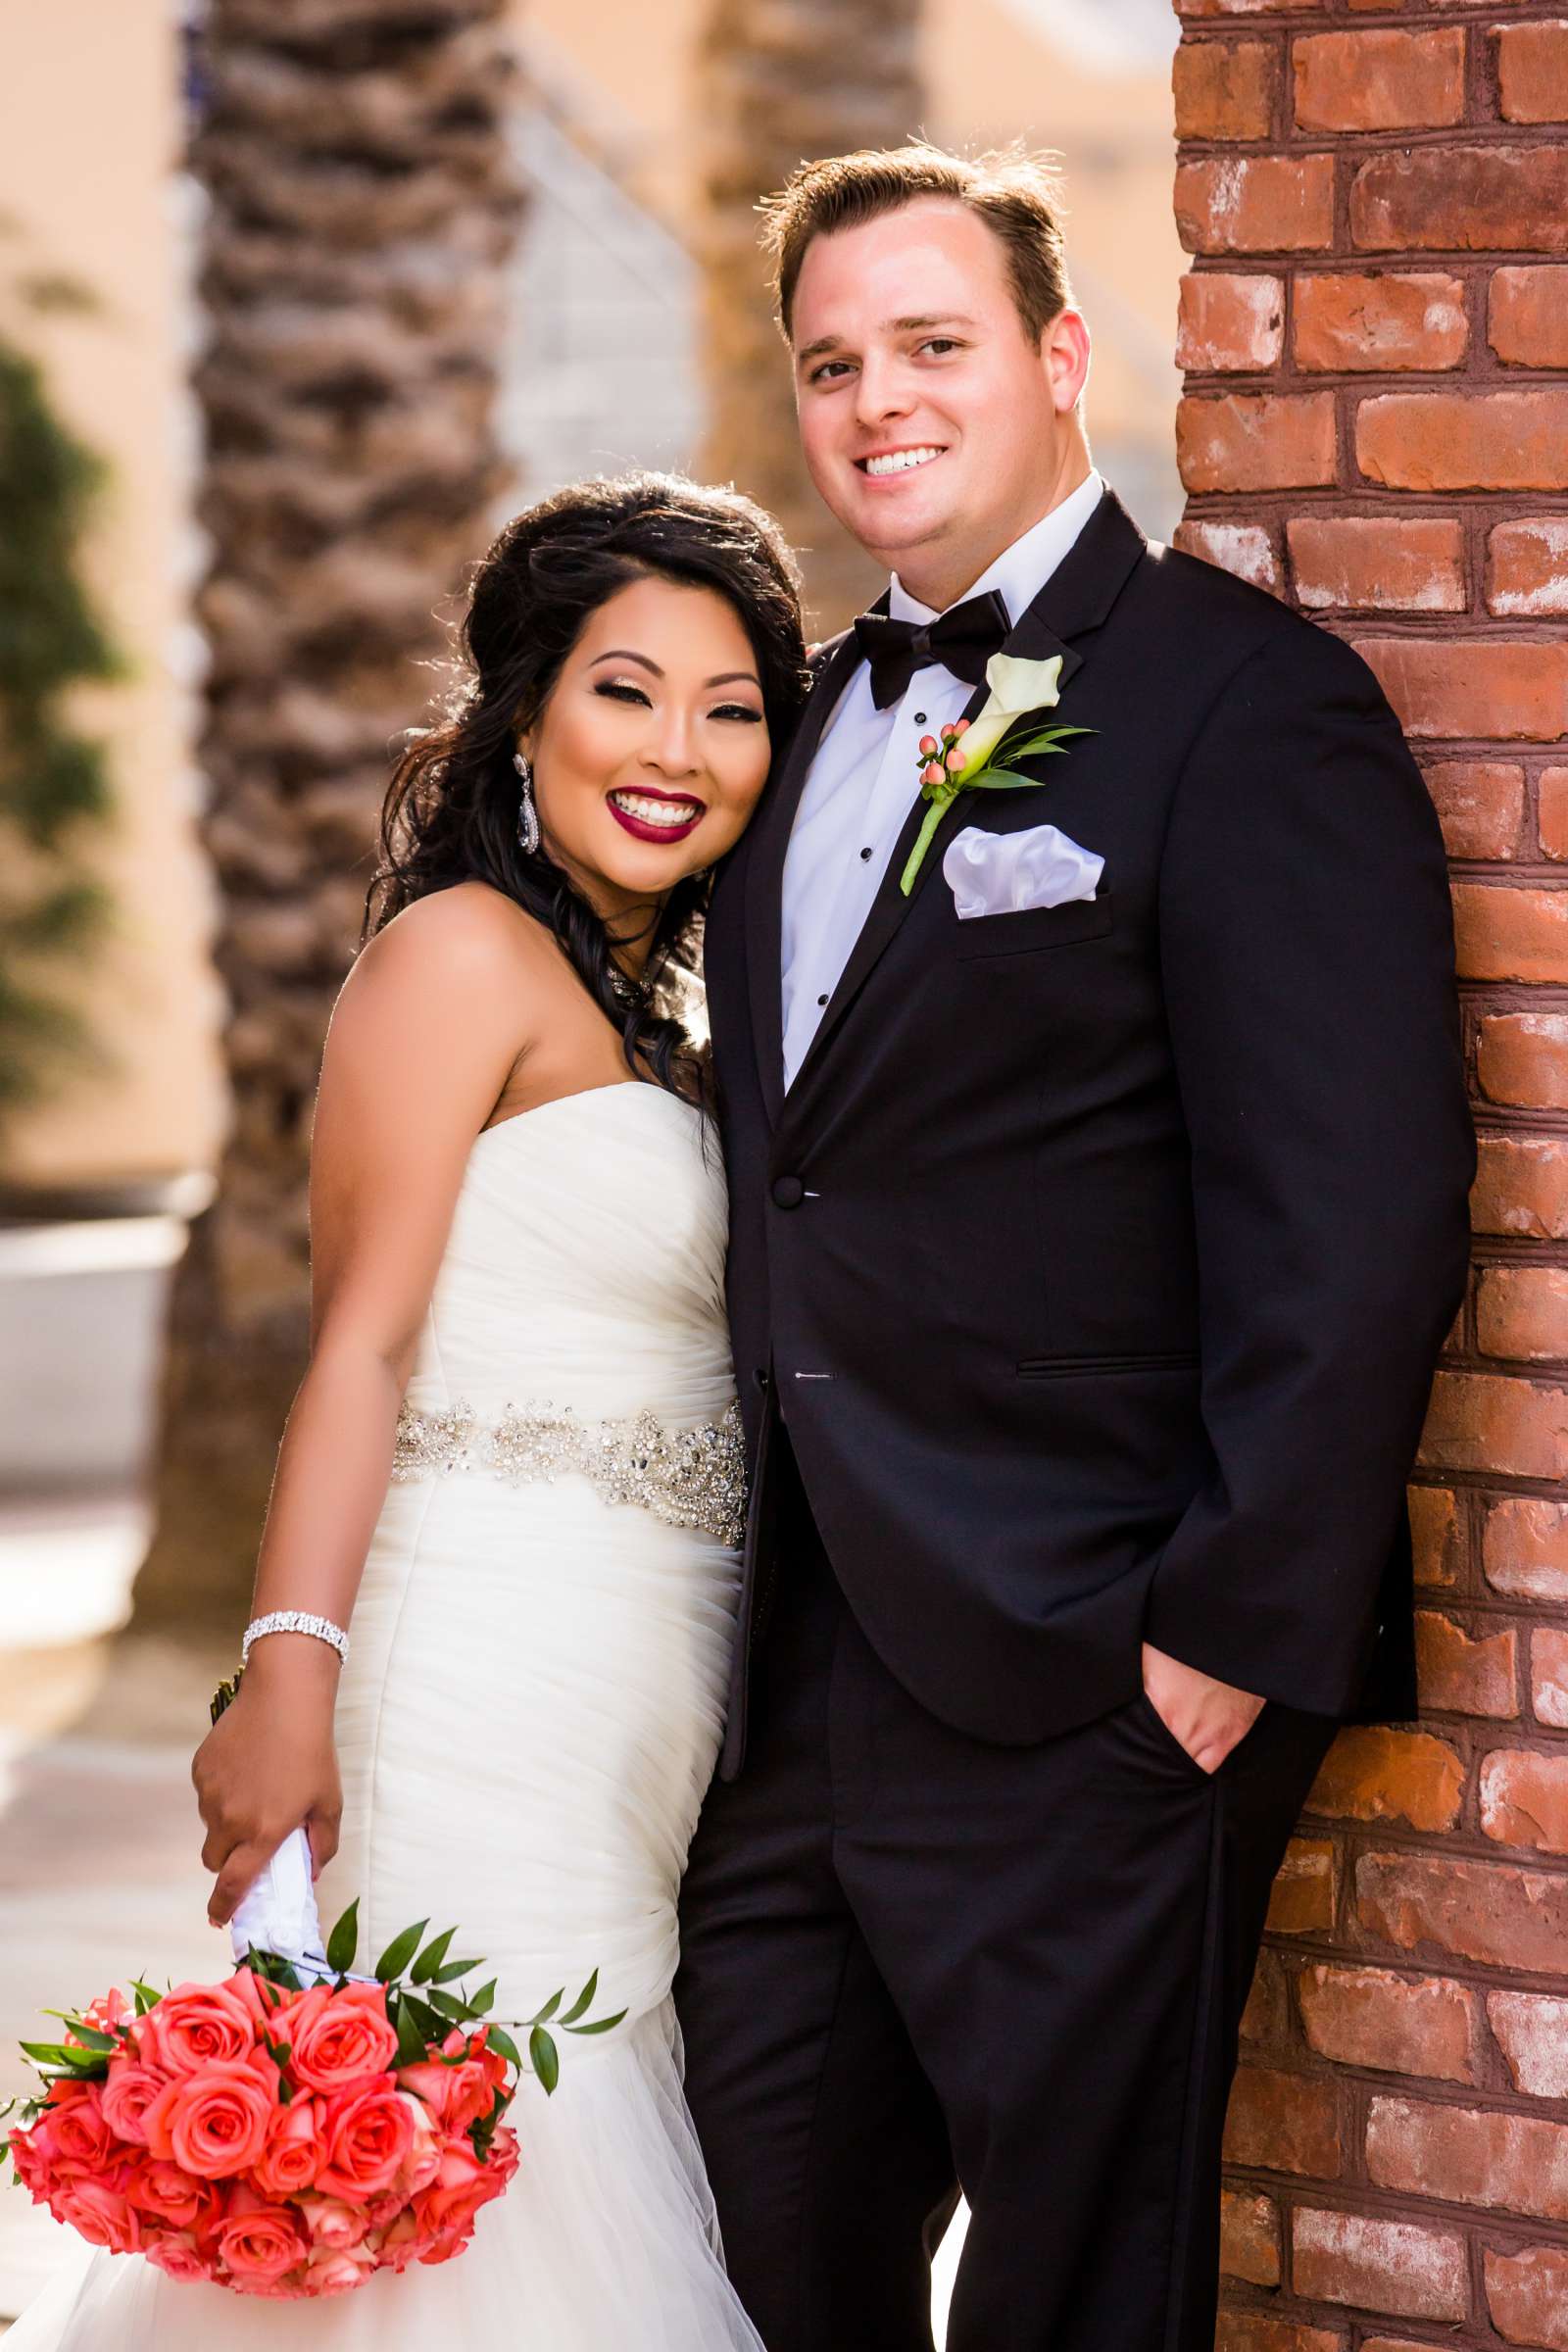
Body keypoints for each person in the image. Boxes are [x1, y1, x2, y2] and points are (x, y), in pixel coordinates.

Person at [676, 144, 1476, 2352]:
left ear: (1053, 359)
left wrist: (1221, 1636)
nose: (873, 402)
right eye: (829, 361)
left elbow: (1354, 1201)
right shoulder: (803, 716)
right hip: (797, 1676)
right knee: (744, 2253)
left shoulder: (1239, 704)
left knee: (1069, 2303)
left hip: (1088, 1672)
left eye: (929, 345)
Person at [8, 472, 807, 2350]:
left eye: (734, 706)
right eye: (627, 690)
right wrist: (286, 1670)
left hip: (648, 1696)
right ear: (523, 713)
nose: (678, 750)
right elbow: (357, 1346)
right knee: (479, 2178)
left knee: (524, 2136)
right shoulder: (457, 958)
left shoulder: (659, 1014)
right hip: (475, 1675)